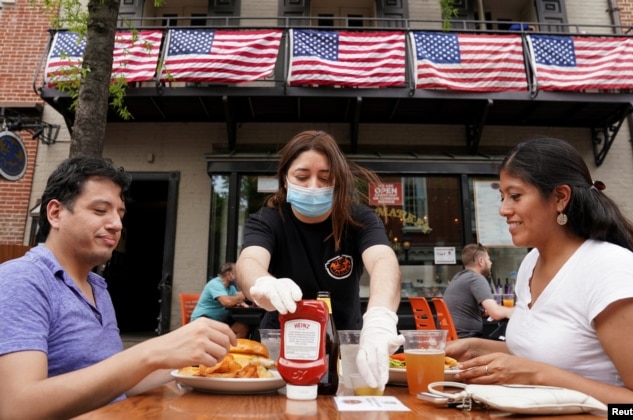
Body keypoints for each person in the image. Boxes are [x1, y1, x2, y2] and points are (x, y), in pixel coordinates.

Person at [0, 156, 237, 419]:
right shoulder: (21, 279)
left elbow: (112, 383)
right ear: (56, 213)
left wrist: (189, 357)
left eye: (119, 213)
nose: (117, 224)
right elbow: (16, 407)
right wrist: (150, 351)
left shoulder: (96, 286)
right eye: (100, 211)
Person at [445, 138, 633, 404]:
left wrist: (538, 376)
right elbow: (547, 353)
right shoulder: (531, 264)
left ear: (560, 198)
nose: (503, 209)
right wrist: (474, 348)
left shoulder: (611, 269)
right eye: (502, 197)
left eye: (515, 196)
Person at [236, 130, 403, 390]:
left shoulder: (359, 219)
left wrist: (380, 319)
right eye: (302, 177)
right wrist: (264, 284)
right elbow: (249, 261)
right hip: (280, 345)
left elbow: (383, 261)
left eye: (325, 178)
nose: (313, 187)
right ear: (285, 179)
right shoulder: (267, 220)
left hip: (346, 349)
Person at [443, 244, 513, 338]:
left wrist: (484, 311)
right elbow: (496, 313)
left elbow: (465, 309)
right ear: (481, 261)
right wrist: (517, 311)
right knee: (510, 348)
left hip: (453, 338)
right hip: (467, 339)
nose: (491, 263)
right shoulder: (476, 279)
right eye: (488, 259)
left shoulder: (457, 278)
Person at [191, 262, 250, 338]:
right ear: (229, 274)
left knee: (243, 326)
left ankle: (232, 349)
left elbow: (236, 300)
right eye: (237, 273)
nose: (238, 277)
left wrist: (240, 302)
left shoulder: (231, 287)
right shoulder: (215, 284)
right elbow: (227, 302)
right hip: (204, 319)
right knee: (223, 333)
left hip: (220, 320)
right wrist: (240, 297)